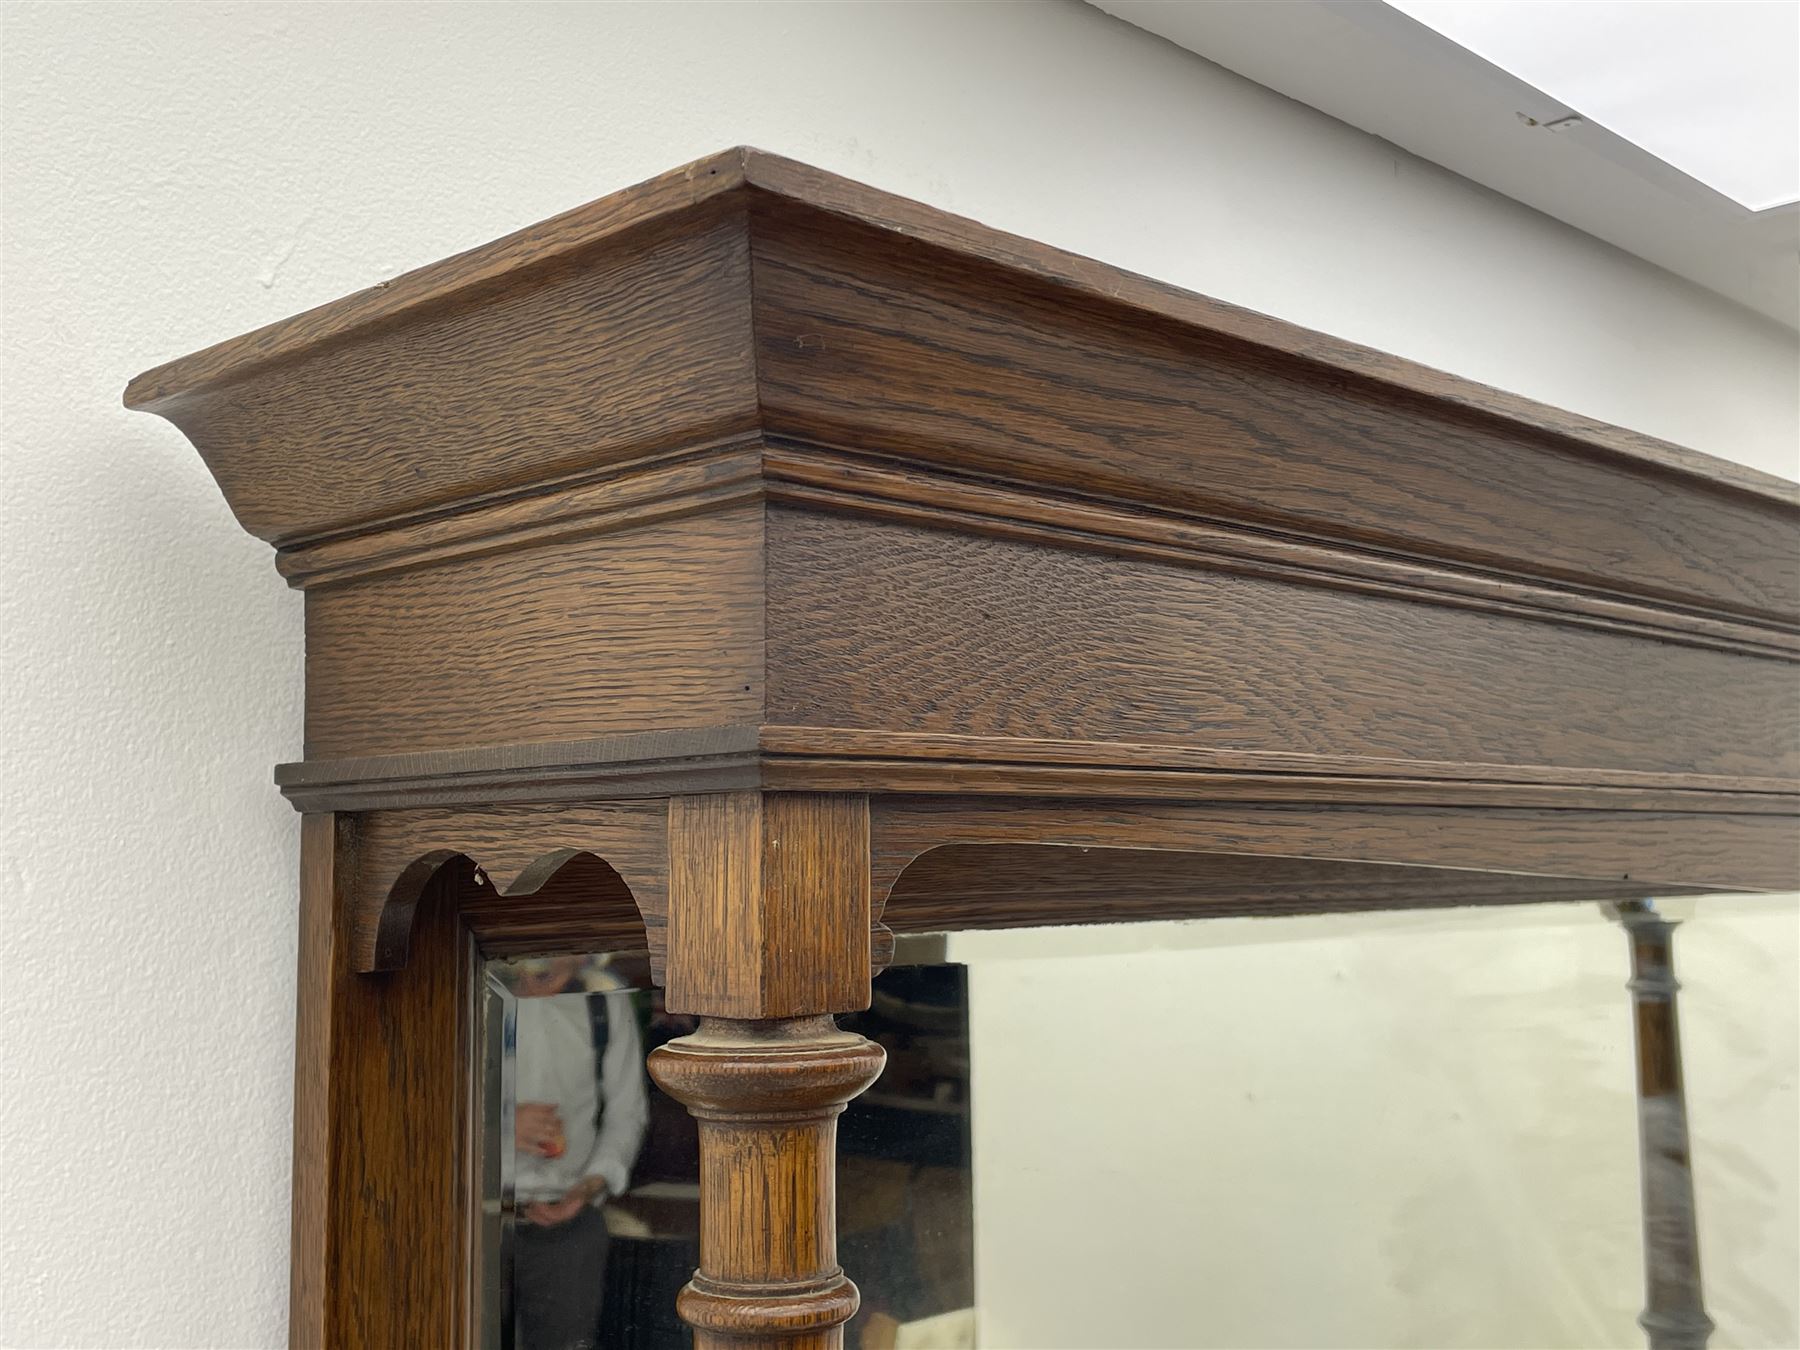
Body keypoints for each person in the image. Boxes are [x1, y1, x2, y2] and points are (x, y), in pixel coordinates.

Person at [510, 955, 649, 1350]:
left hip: (568, 1226)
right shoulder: (467, 984)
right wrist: (499, 1126)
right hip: (468, 1219)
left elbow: (627, 1113)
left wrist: (590, 1185)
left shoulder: (603, 1000)